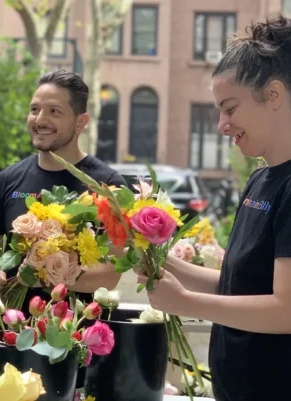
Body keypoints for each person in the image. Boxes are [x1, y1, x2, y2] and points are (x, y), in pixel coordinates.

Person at [137, 15, 291, 401]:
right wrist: (159, 262)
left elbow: (284, 309)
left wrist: (185, 303)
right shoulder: (261, 179)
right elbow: (236, 285)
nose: (222, 125)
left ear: (273, 95)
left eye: (230, 108)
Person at [0, 69, 126, 309]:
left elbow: (109, 275)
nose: (39, 120)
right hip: (10, 333)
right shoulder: (8, 180)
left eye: (54, 112)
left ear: (81, 122)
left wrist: (41, 274)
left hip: (81, 336)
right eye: (34, 109)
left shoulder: (108, 186)